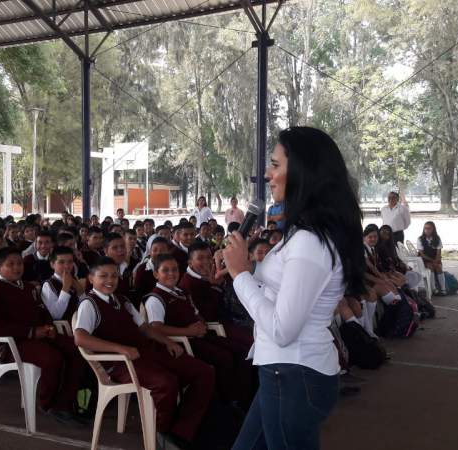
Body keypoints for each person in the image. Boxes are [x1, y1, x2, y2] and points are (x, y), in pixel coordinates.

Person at [223, 127, 365, 449]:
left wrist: (240, 275)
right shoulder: (304, 234)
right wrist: (248, 268)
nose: (267, 174)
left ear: (302, 172)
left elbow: (282, 329)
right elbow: (283, 289)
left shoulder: (310, 242)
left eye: (275, 165)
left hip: (294, 375)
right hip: (283, 371)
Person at [74, 257, 215, 448]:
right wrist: (121, 349)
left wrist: (167, 342)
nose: (110, 280)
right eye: (103, 276)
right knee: (166, 382)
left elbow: (145, 328)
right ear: (91, 278)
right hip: (121, 363)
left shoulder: (122, 300)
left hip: (146, 352)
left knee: (203, 371)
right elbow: (80, 338)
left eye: (114, 275)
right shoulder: (89, 303)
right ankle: (162, 431)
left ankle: (182, 430)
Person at [0, 247, 87, 424]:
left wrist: (48, 328)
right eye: (10, 264)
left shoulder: (28, 287)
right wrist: (31, 332)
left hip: (37, 336)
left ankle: (64, 403)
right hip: (10, 344)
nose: (16, 268)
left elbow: (43, 313)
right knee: (53, 358)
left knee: (78, 350)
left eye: (19, 263)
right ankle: (47, 404)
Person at [144, 254, 252, 405]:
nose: (171, 274)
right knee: (223, 357)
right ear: (156, 274)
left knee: (240, 350)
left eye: (174, 270)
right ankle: (225, 400)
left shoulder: (181, 292)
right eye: (165, 270)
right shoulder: (155, 298)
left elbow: (196, 313)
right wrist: (188, 332)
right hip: (183, 342)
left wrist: (200, 323)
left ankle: (243, 396)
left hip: (200, 335)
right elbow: (156, 328)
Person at [40, 246, 84, 321]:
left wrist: (80, 291)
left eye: (70, 262)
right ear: (52, 264)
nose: (67, 266)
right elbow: (55, 315)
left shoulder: (74, 280)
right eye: (61, 262)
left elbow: (85, 308)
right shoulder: (48, 285)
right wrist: (65, 288)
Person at [417, 221, 446, 295]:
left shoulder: (437, 238)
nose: (427, 230)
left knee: (439, 267)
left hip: (435, 259)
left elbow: (438, 252)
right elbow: (422, 254)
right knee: (430, 267)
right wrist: (432, 261)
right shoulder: (420, 239)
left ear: (433, 229)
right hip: (425, 260)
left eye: (429, 228)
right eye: (425, 228)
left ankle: (443, 289)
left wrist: (436, 261)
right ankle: (433, 289)